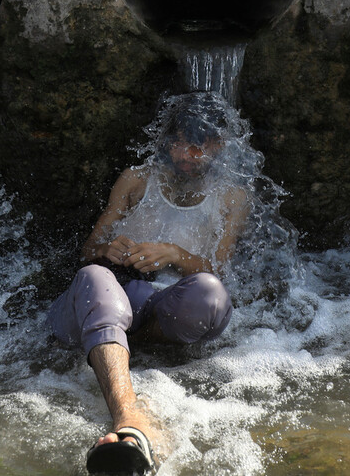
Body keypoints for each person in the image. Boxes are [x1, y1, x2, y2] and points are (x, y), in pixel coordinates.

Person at [48, 93, 251, 475]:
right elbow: (88, 252)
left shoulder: (232, 197)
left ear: (218, 146)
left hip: (162, 312)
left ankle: (117, 345)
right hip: (108, 297)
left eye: (197, 147)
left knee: (210, 293)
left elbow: (219, 270)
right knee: (93, 275)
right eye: (177, 144)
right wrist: (108, 249)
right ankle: (130, 420)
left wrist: (175, 254)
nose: (185, 156)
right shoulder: (137, 180)